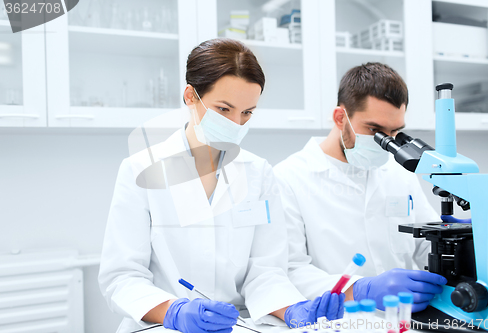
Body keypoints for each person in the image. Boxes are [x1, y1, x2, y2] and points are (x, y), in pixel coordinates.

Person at [98, 38, 344, 333]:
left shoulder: (258, 173)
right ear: (190, 96)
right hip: (162, 327)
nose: (236, 124)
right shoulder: (140, 170)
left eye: (247, 112)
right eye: (224, 109)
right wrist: (175, 311)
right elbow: (122, 277)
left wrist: (292, 308)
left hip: (238, 325)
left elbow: (265, 271)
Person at [274, 62, 447, 312]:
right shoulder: (288, 177)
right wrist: (361, 289)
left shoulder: (399, 170)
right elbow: (291, 269)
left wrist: (455, 241)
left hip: (405, 319)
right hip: (341, 321)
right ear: (340, 117)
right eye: (375, 130)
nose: (386, 143)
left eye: (395, 132)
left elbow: (423, 244)